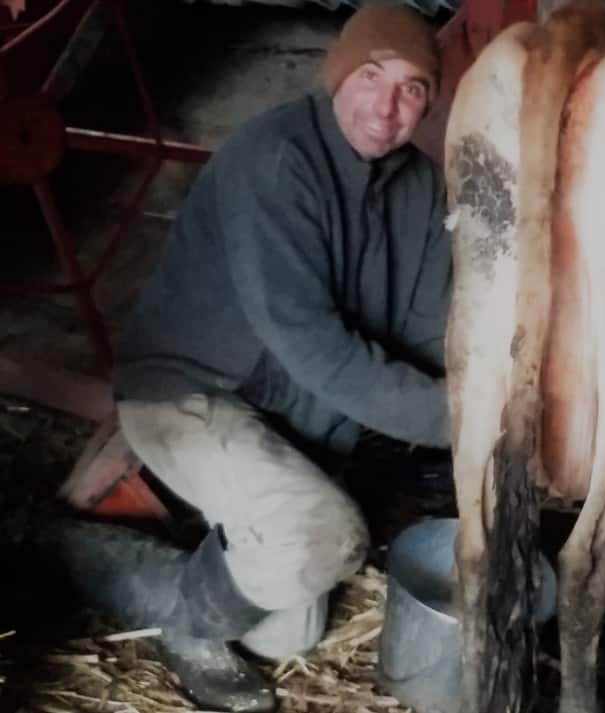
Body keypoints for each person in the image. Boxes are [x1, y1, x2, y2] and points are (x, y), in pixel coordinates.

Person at [48, 6, 452, 712]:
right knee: (323, 535)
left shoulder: (418, 188)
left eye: (413, 88)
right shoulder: (277, 159)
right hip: (195, 393)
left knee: (288, 633)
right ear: (337, 75)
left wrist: (492, 386)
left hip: (290, 420)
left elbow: (424, 327)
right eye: (371, 75)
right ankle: (189, 627)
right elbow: (314, 346)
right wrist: (459, 422)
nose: (387, 109)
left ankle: (89, 550)